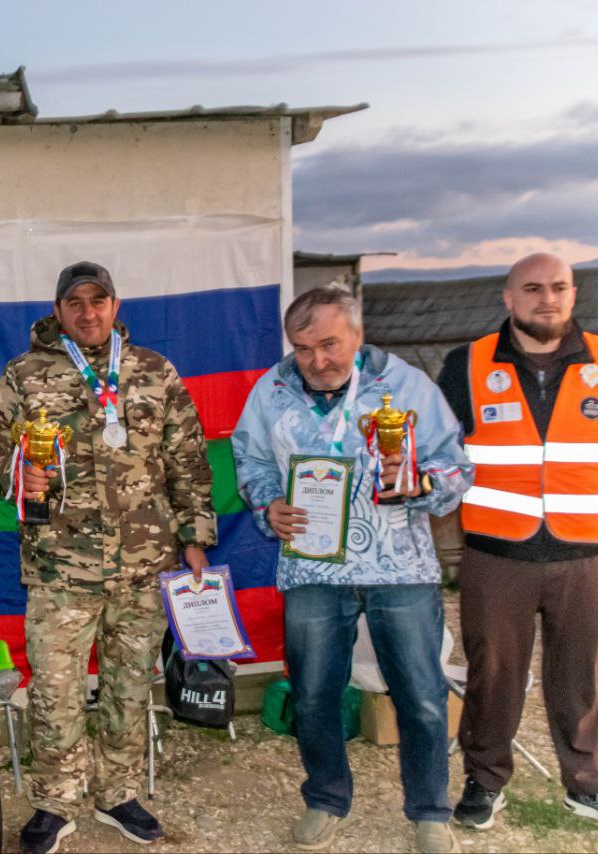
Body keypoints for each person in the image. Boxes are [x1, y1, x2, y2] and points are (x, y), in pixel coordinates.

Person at [0, 261, 216, 854]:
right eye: (75, 303)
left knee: (128, 685)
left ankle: (118, 794)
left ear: (115, 306)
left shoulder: (155, 371)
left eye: (98, 301)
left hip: (144, 564)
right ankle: (55, 802)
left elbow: (187, 458)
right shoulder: (25, 374)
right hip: (60, 565)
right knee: (56, 690)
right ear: (58, 310)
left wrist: (194, 538)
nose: (88, 313)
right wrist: (17, 473)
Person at [232, 286, 473, 854]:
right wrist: (268, 505)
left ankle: (430, 811)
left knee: (421, 695)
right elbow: (250, 459)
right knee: (314, 694)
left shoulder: (407, 386)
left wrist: (419, 484)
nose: (316, 360)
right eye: (302, 348)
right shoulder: (271, 390)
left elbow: (456, 467)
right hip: (312, 570)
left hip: (399, 567)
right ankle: (325, 798)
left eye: (329, 344)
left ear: (358, 335)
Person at [437, 252, 598, 834]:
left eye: (559, 287)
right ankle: (485, 781)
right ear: (508, 297)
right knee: (492, 675)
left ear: (574, 294)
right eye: (533, 288)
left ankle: (587, 786)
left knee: (580, 676)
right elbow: (438, 455)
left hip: (588, 555)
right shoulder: (466, 364)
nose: (548, 298)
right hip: (498, 555)